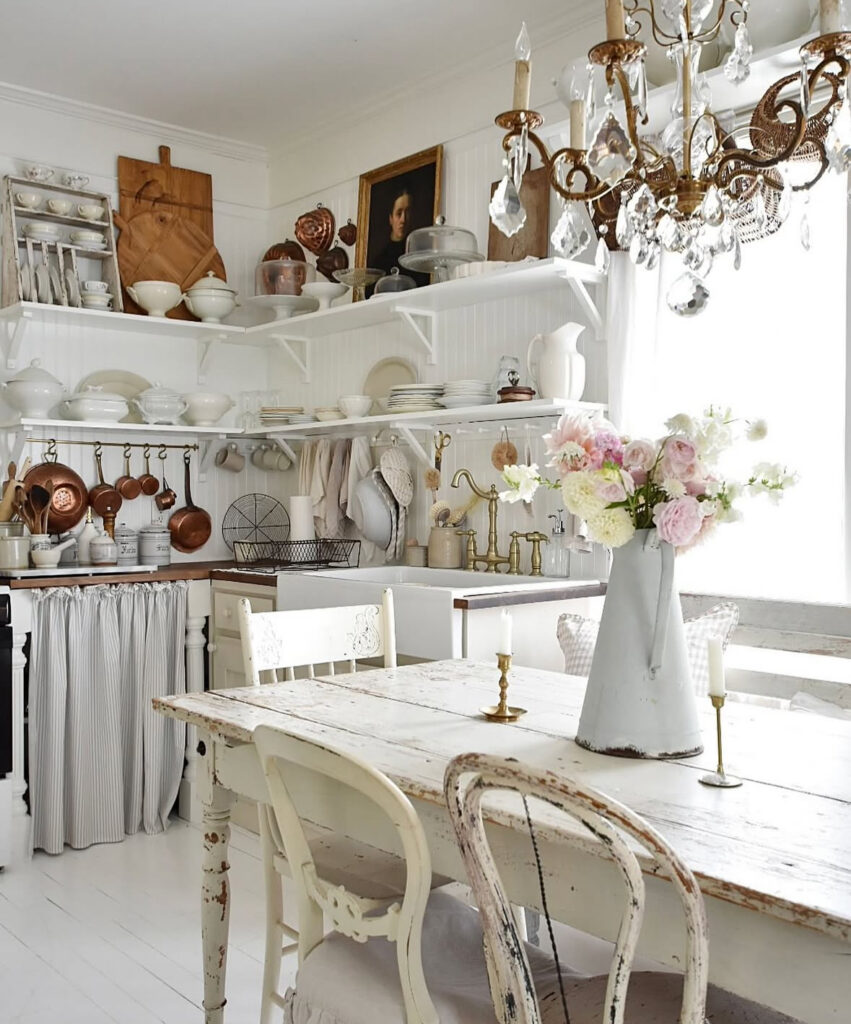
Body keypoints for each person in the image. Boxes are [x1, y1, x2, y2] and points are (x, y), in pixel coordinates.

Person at [370, 183, 429, 293]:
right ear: (391, 218)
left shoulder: (418, 257)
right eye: (399, 213)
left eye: (407, 212)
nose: (403, 219)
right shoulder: (380, 261)